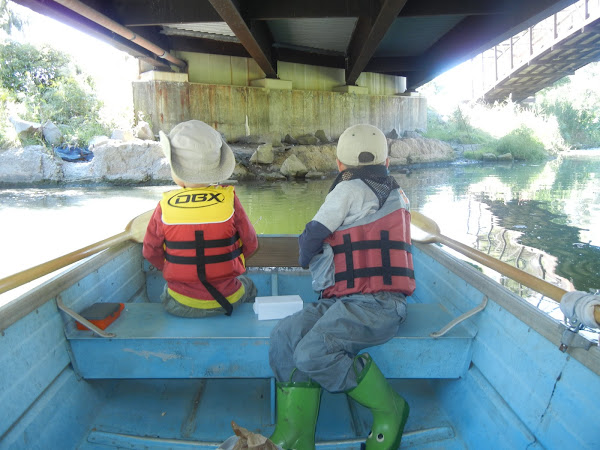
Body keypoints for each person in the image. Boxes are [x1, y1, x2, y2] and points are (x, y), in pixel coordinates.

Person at [268, 124, 415, 449]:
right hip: (356, 302)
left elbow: (311, 237)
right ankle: (296, 434)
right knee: (284, 335)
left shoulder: (346, 191)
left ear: (340, 165)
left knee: (309, 353)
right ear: (386, 163)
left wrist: (308, 258)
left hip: (377, 306)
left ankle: (390, 409)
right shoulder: (398, 193)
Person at [143, 120, 258, 317]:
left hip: (179, 303)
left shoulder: (164, 206)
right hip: (228, 300)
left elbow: (150, 252)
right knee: (249, 286)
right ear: (216, 167)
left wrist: (176, 268)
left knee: (166, 292)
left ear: (176, 169)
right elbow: (251, 245)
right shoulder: (229, 200)